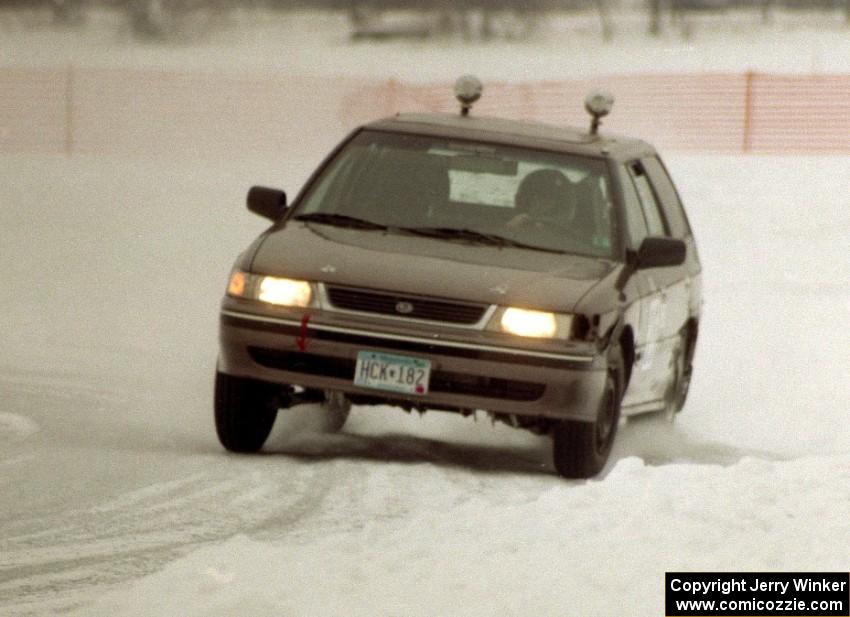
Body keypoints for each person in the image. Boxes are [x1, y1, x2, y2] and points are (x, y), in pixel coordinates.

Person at [506, 168, 576, 230]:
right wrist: (512, 228)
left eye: (547, 198)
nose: (539, 203)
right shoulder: (514, 226)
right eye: (534, 197)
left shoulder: (572, 236)